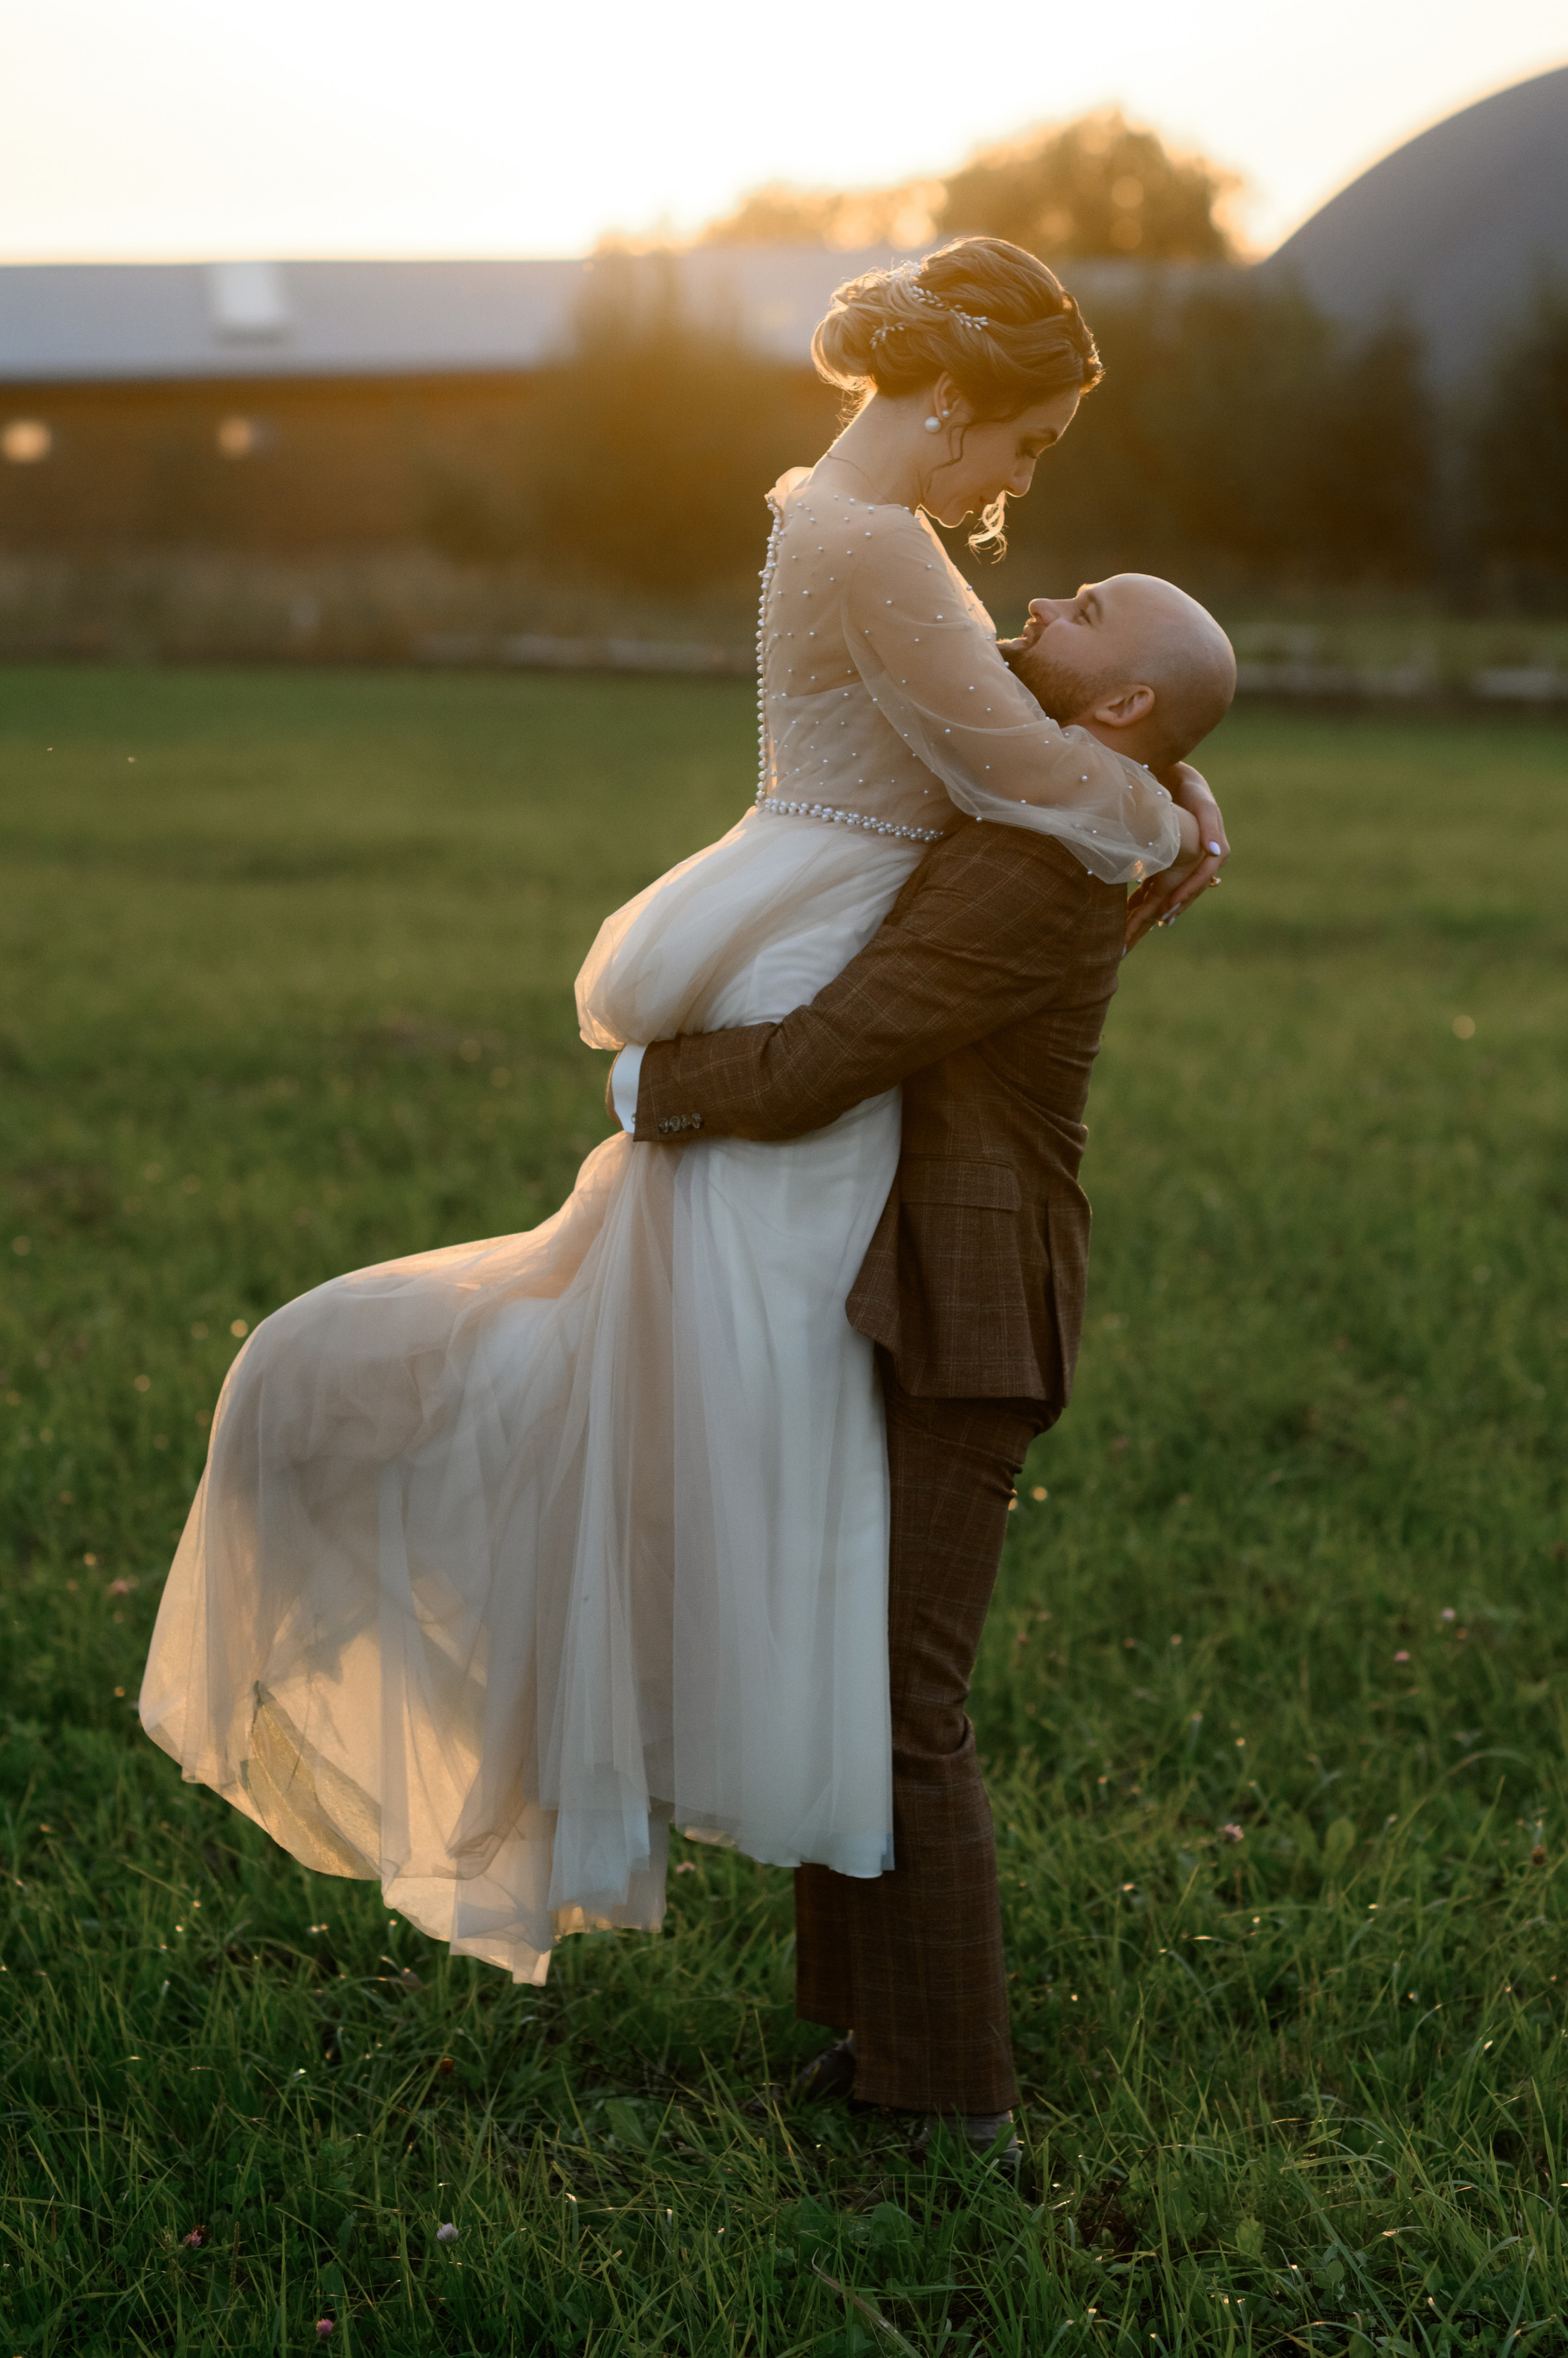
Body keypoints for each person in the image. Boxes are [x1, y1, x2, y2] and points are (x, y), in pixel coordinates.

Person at [138, 236, 1221, 1986]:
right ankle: (804, 1829)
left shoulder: (847, 521)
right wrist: (1167, 812)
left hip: (809, 951)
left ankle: (827, 1864)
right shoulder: (880, 547)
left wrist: (1163, 759)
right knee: (745, 1476)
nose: (1025, 492)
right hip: (807, 984)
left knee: (776, 1504)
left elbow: (1037, 734)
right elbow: (1023, 768)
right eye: (1025, 448)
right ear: (953, 403)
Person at [611, 573, 1236, 2165]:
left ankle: (956, 2098)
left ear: (1113, 708)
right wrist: (1173, 796)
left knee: (901, 1694)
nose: (1038, 595)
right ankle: (871, 2033)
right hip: (903, 1281)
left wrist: (645, 1079)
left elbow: (834, 1052)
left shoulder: (1035, 868)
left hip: (968, 1300)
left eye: (1083, 607)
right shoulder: (1072, 800)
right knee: (847, 1659)